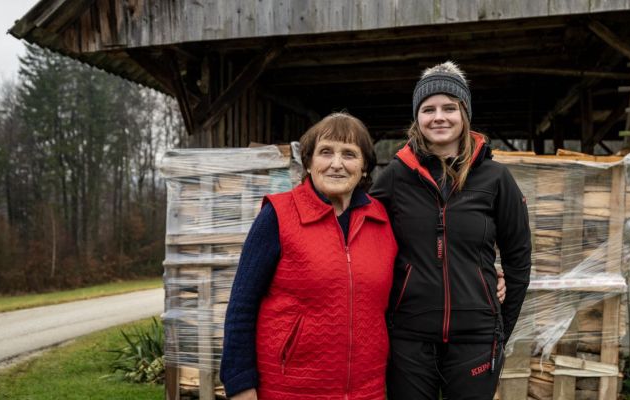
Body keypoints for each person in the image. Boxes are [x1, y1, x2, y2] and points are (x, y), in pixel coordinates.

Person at [370, 61, 532, 400]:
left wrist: (500, 326)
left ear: (465, 114)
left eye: (449, 108)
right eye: (428, 109)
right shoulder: (394, 178)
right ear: (417, 117)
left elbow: (518, 256)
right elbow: (361, 236)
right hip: (409, 337)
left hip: (476, 337)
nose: (439, 117)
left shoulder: (495, 178)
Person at [220, 112, 398, 400]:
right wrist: (240, 384)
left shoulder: (382, 221)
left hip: (368, 390)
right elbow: (242, 305)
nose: (336, 164)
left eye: (349, 154)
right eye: (325, 152)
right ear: (309, 162)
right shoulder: (277, 216)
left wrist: (495, 276)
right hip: (290, 389)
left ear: (364, 167)